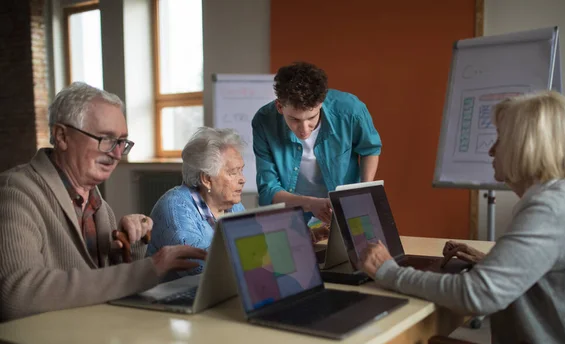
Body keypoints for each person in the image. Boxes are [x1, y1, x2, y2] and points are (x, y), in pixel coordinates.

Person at [359, 91, 565, 344]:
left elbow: (477, 295)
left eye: (500, 139)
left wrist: (388, 271)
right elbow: (552, 275)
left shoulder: (548, 210)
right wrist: (494, 262)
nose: (491, 150)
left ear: (523, 146)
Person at [0, 82, 206, 322]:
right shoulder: (14, 192)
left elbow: (102, 286)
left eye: (121, 142)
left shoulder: (98, 205)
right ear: (62, 136)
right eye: (106, 139)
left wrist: (133, 242)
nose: (117, 154)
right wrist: (150, 268)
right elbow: (17, 296)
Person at [252, 61, 382, 225]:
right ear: (279, 106)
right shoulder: (264, 121)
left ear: (321, 103)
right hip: (290, 211)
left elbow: (370, 149)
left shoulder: (351, 110)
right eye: (294, 119)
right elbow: (268, 190)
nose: (304, 130)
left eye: (311, 118)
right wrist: (311, 204)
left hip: (344, 208)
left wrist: (363, 190)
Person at [147, 127, 246, 275]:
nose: (242, 180)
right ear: (206, 179)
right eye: (233, 172)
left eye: (241, 170)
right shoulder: (175, 209)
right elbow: (201, 268)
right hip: (172, 295)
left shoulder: (232, 205)